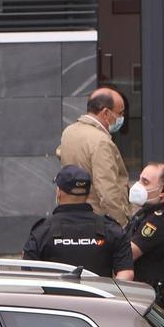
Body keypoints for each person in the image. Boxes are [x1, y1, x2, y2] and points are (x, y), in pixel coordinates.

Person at [23, 165, 133, 279]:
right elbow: (126, 274)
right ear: (88, 193)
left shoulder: (42, 231)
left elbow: (28, 275)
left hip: (55, 296)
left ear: (59, 192)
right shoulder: (110, 229)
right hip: (100, 296)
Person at [58, 88, 130, 225]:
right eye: (120, 113)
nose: (122, 118)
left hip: (71, 216)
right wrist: (122, 225)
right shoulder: (101, 141)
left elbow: (61, 153)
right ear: (106, 113)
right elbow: (108, 191)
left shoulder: (69, 131)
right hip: (96, 221)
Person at [123, 162, 164, 317]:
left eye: (145, 182)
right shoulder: (146, 214)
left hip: (154, 305)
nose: (138, 186)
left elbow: (127, 253)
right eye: (139, 180)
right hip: (143, 299)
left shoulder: (163, 221)